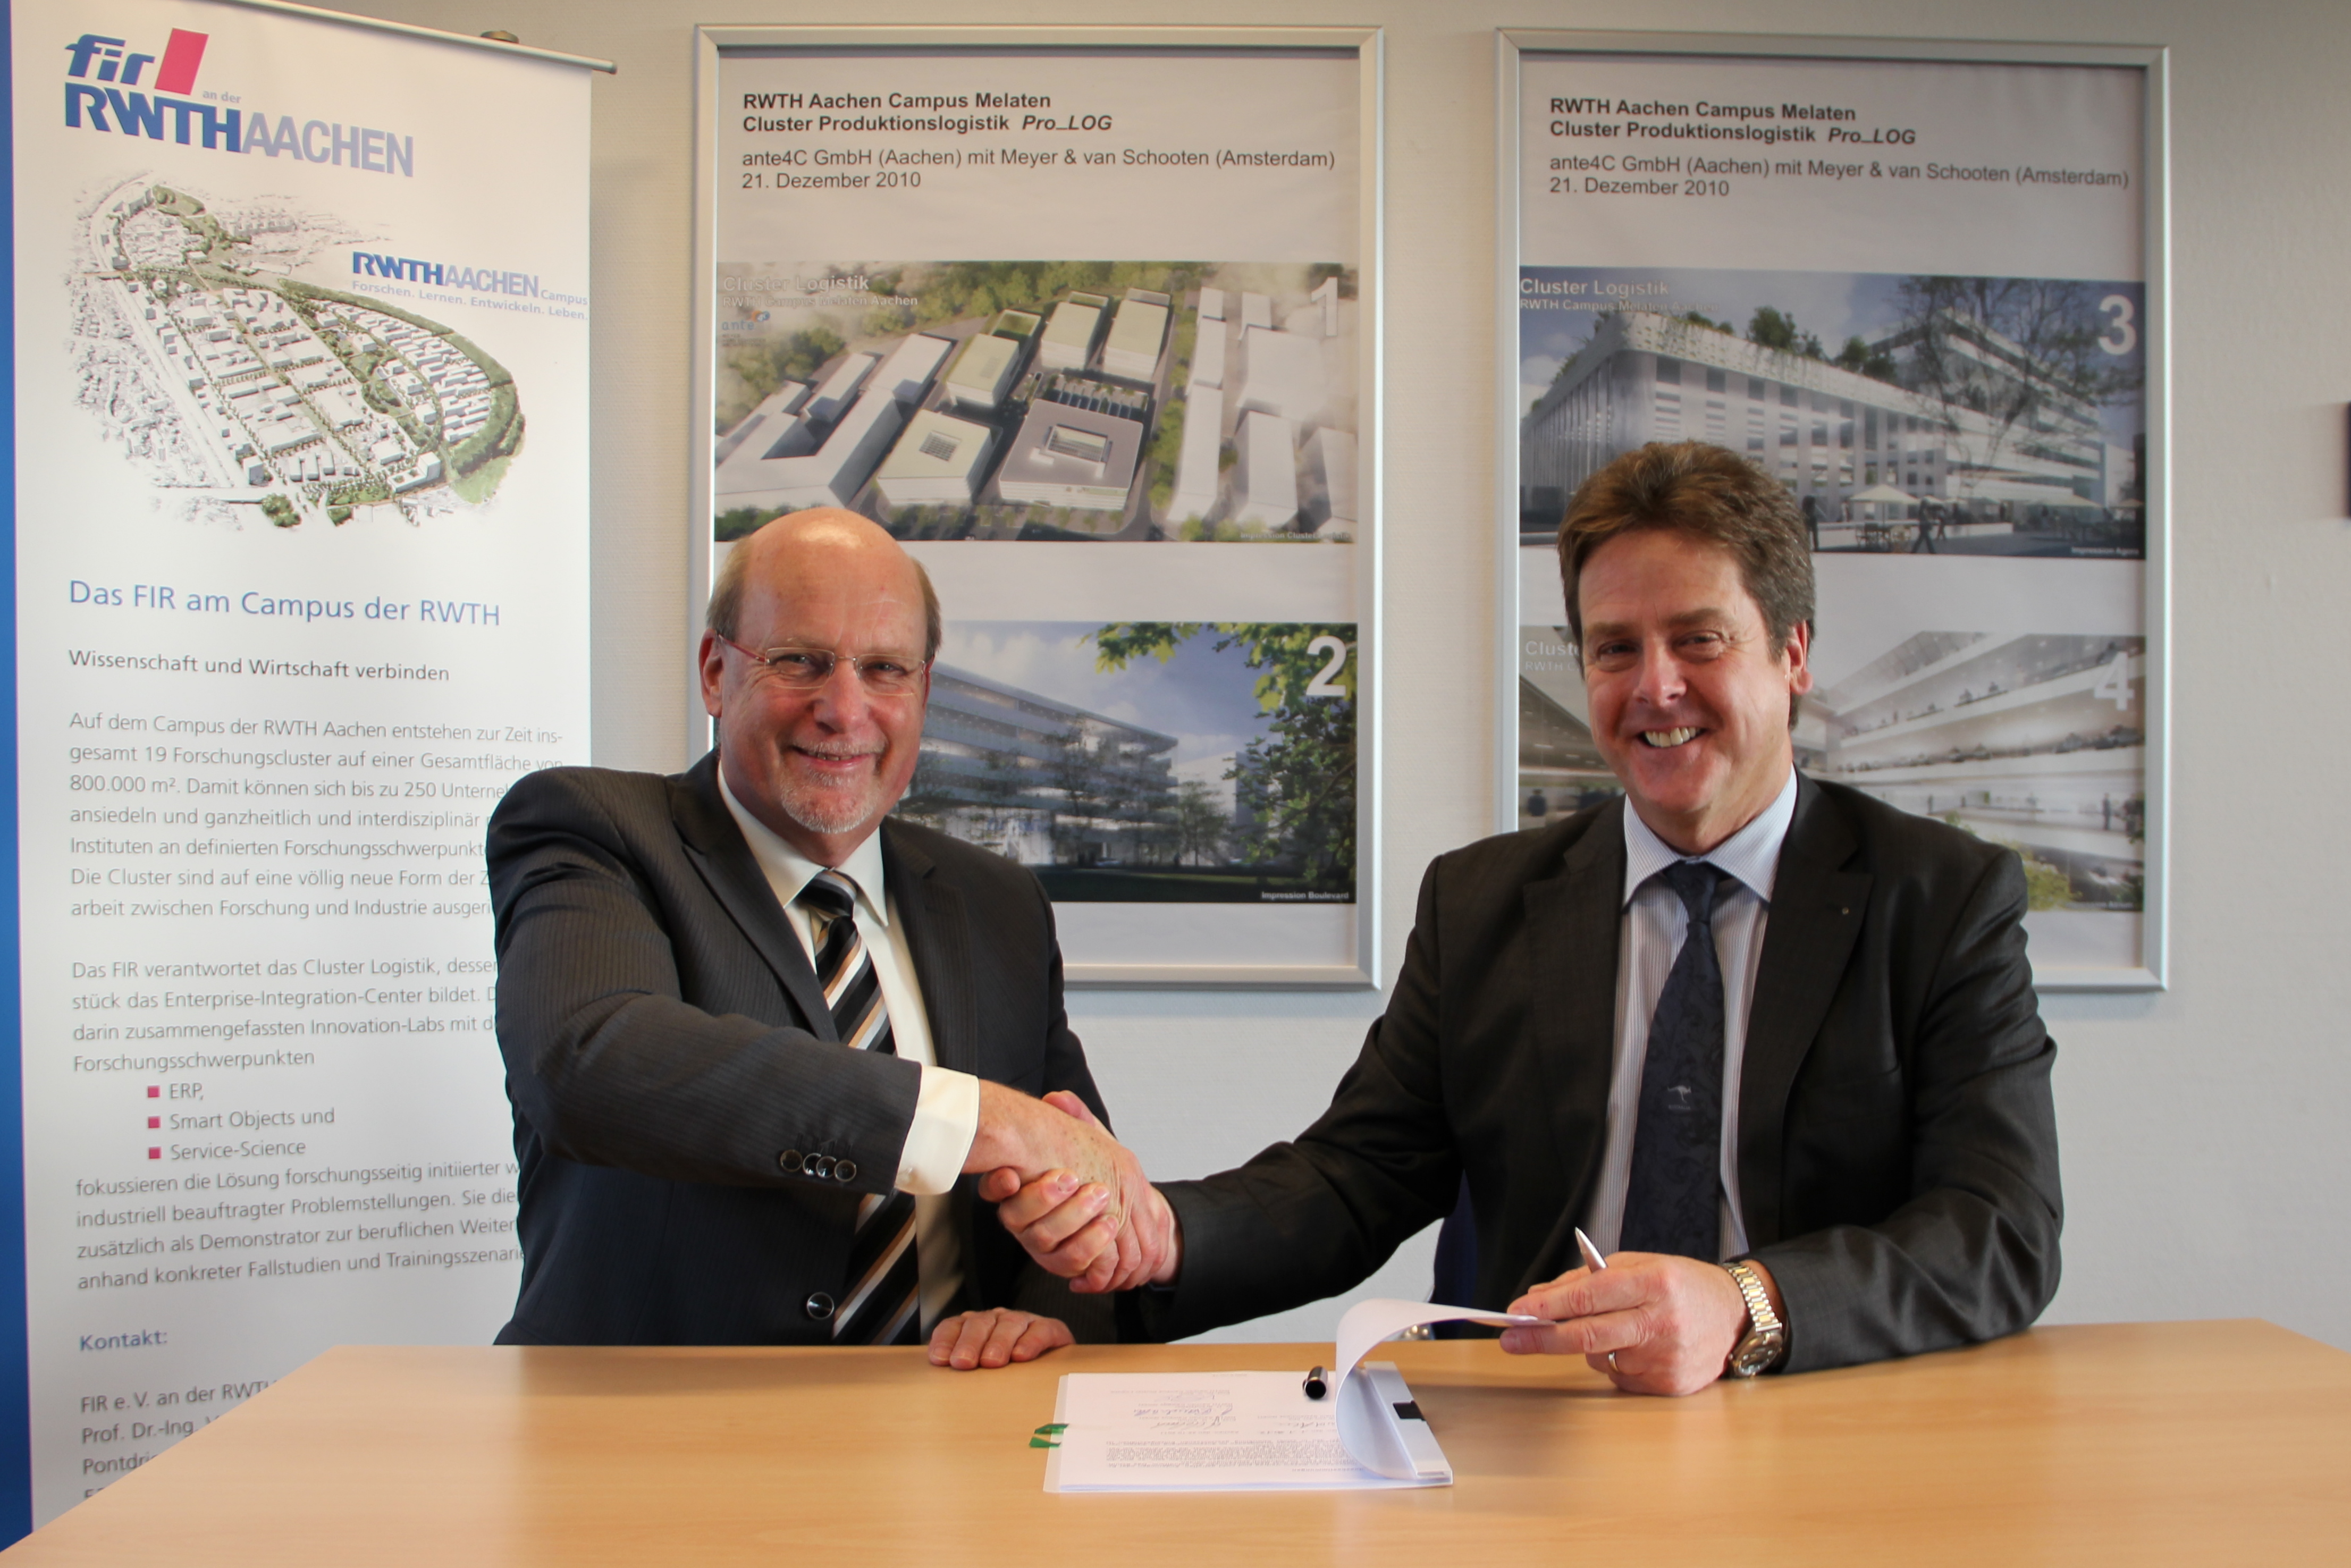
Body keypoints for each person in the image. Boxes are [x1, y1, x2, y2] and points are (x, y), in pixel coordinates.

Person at [991, 440, 2062, 1395]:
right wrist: (1159, 1234)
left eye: (1699, 639)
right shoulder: (1483, 904)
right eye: (1614, 648)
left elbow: (2000, 1225)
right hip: (1541, 1419)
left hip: (1831, 1420)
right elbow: (1354, 1179)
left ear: (1792, 652)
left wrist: (1747, 1304)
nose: (1655, 687)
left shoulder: (1942, 898)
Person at [486, 509, 1166, 1369]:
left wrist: (1046, 1312)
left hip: (952, 1422)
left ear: (923, 692)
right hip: (650, 1425)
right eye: (799, 660)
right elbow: (586, 1061)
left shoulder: (998, 901)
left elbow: (1077, 1184)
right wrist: (973, 1118)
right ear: (715, 671)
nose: (843, 710)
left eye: (884, 669)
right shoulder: (596, 830)